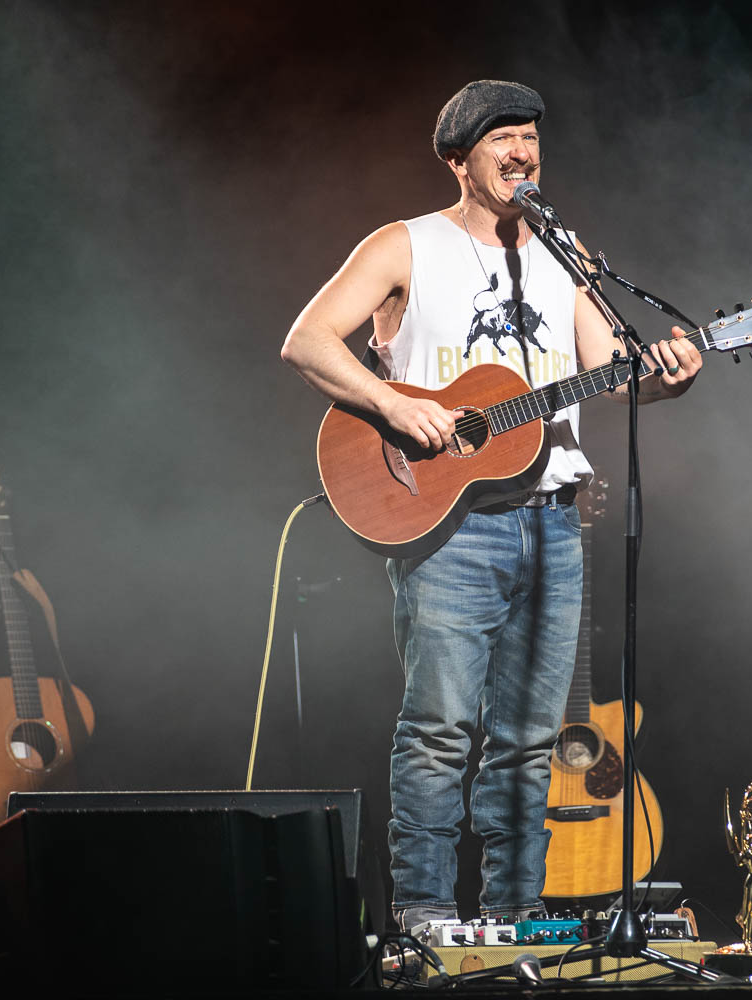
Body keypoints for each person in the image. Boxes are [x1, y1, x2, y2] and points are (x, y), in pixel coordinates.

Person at [279, 80, 703, 932]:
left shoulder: (565, 251)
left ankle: (516, 920)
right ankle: (426, 918)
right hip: (449, 525)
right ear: (457, 158)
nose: (522, 152)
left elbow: (611, 376)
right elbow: (307, 340)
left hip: (555, 524)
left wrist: (668, 377)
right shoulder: (404, 246)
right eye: (502, 137)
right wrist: (393, 405)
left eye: (531, 136)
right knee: (439, 730)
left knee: (531, 743)